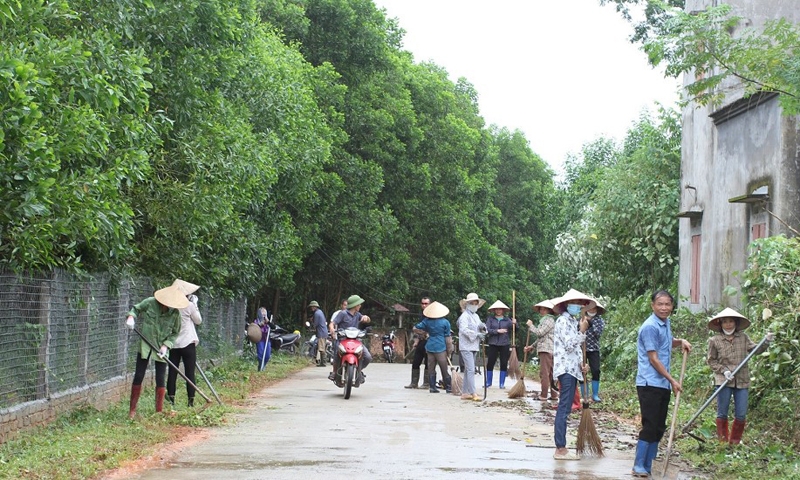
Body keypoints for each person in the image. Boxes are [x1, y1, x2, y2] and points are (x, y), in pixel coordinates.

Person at [632, 290, 692, 477]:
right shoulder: (650, 326)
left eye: (667, 304)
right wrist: (673, 380)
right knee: (650, 425)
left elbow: (666, 342)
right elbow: (654, 359)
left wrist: (680, 341)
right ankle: (638, 465)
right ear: (653, 305)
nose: (664, 308)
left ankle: (648, 464)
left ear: (672, 306)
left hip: (662, 384)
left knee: (659, 426)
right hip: (650, 383)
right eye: (660, 304)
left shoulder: (665, 324)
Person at [707, 308, 773, 445]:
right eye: (725, 322)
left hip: (742, 379)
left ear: (736, 323)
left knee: (741, 414)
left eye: (731, 321)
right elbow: (711, 361)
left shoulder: (743, 338)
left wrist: (766, 341)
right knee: (722, 413)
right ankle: (723, 443)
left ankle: (734, 443)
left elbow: (756, 350)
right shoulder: (715, 340)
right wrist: (724, 371)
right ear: (720, 324)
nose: (728, 324)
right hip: (723, 380)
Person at [124, 283, 186, 419]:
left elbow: (175, 333)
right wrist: (131, 317)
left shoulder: (175, 314)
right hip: (146, 345)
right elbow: (136, 308)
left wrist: (166, 345)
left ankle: (158, 412)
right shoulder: (151, 303)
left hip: (161, 348)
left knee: (160, 378)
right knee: (139, 376)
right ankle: (132, 411)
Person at [551, 289, 594, 460]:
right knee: (564, 407)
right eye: (575, 303)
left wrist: (582, 365)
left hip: (572, 369)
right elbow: (569, 344)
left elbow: (574, 350)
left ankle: (561, 446)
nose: (578, 306)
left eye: (580, 303)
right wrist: (582, 331)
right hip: (566, 370)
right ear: (566, 305)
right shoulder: (562, 321)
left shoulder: (573, 322)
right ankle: (560, 448)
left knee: (566, 407)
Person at [166, 279, 203, 407]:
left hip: (174, 343)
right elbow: (198, 320)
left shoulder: (170, 307)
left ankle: (171, 401)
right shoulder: (189, 305)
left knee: (172, 372)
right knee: (189, 372)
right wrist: (195, 304)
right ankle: (190, 402)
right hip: (188, 342)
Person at [330, 295, 372, 383]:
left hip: (356, 341)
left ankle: (359, 370)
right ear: (355, 305)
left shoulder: (358, 315)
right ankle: (334, 372)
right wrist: (332, 329)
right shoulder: (343, 313)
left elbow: (367, 320)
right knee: (337, 353)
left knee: (367, 357)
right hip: (343, 340)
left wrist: (366, 318)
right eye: (359, 304)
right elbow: (332, 323)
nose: (360, 306)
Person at [413, 301, 453, 393]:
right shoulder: (445, 322)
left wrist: (424, 333)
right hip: (441, 347)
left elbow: (415, 328)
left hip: (430, 346)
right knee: (444, 367)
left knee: (431, 367)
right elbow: (448, 338)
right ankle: (448, 387)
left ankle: (432, 387)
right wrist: (449, 350)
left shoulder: (426, 321)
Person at [525, 298, 557, 403]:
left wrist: (531, 326)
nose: (542, 311)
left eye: (545, 309)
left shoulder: (549, 320)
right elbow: (542, 338)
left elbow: (540, 333)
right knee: (550, 373)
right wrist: (532, 346)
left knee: (545, 373)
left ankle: (543, 395)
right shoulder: (546, 320)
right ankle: (553, 395)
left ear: (549, 311)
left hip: (547, 350)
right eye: (541, 309)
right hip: (547, 349)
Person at [457, 292, 486, 400]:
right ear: (467, 304)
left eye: (475, 303)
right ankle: (473, 392)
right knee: (471, 369)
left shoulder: (476, 316)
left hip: (474, 345)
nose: (474, 305)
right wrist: (477, 334)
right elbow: (463, 329)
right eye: (472, 303)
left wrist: (483, 328)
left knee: (468, 370)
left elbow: (479, 326)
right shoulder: (464, 316)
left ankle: (465, 392)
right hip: (465, 346)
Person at [484, 300, 516, 389]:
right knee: (490, 362)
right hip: (493, 343)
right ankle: (488, 382)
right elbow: (487, 330)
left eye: (500, 309)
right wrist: (497, 331)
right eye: (496, 309)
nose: (498, 311)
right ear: (494, 310)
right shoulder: (490, 319)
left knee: (504, 362)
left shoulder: (507, 320)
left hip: (504, 343)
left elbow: (516, 330)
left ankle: (501, 383)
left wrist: (515, 323)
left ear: (503, 310)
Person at [404, 297, 431, 389]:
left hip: (430, 342)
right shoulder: (422, 315)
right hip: (421, 341)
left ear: (429, 304)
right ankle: (414, 383)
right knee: (416, 361)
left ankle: (427, 383)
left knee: (428, 363)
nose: (424, 305)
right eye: (422, 303)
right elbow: (418, 329)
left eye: (426, 303)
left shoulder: (433, 316)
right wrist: (416, 340)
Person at [584, 300, 606, 403]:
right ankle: (585, 394)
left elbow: (598, 333)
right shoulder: (581, 318)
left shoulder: (599, 320)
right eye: (590, 308)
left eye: (594, 308)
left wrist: (591, 322)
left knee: (596, 370)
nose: (591, 310)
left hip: (594, 349)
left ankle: (595, 394)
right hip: (582, 349)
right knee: (582, 371)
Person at [308, 301, 328, 367]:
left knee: (321, 348)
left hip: (321, 332)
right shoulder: (320, 312)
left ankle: (323, 363)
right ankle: (322, 362)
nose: (311, 308)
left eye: (311, 307)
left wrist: (312, 322)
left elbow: (315, 324)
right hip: (324, 331)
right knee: (322, 347)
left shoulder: (316, 313)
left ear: (314, 307)